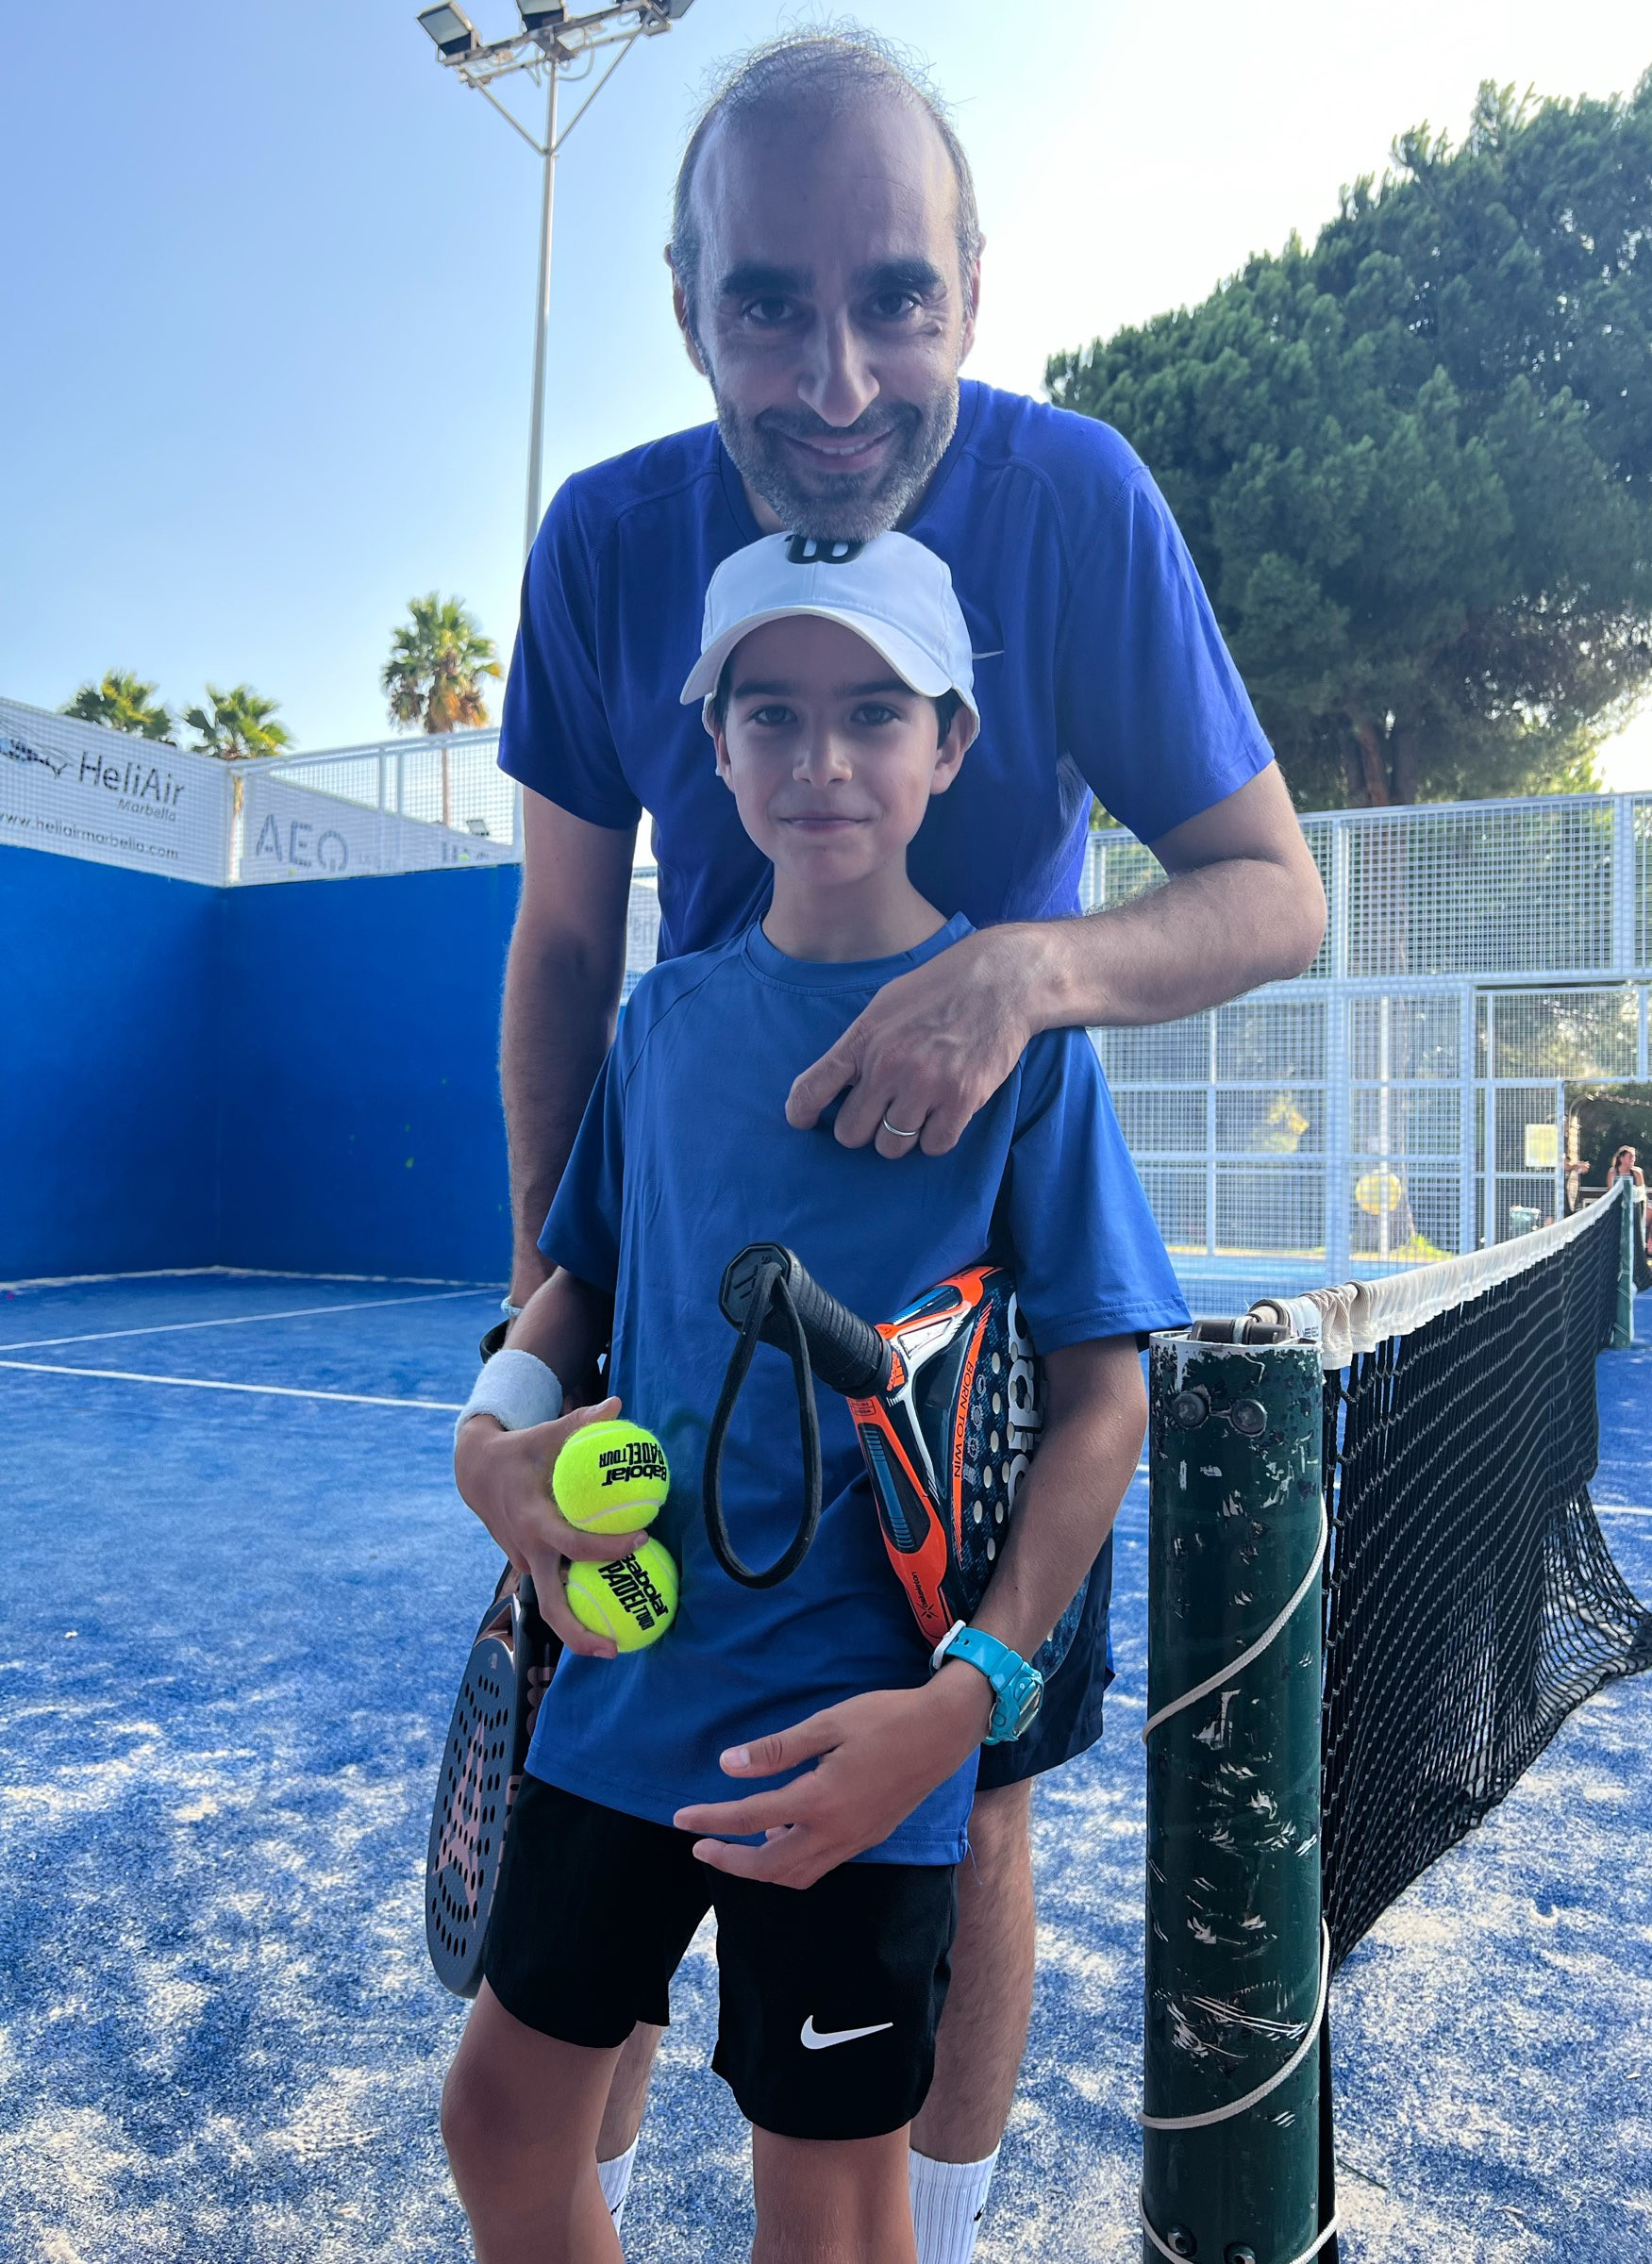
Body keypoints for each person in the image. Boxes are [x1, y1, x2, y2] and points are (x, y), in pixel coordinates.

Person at [492, 28, 1328, 2256]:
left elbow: (1273, 895)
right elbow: (563, 949)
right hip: (679, 1339)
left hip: (956, 1364)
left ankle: (917, 2241)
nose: (839, 376)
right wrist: (544, 1340)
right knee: (630, 1773)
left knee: (967, 1803)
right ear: (688, 308)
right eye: (768, 304)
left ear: (974, 288)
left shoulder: (1079, 504)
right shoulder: (604, 545)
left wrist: (1021, 974)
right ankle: (606, 2179)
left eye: (896, 299)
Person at [443, 532, 1187, 2261]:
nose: (821, 758)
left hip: (866, 1740)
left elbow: (1105, 1399)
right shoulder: (663, 1024)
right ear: (715, 750)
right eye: (770, 713)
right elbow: (584, 1281)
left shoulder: (1027, 1047)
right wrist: (489, 1444)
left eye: (873, 712)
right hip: (623, 1685)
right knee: (500, 2122)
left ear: (950, 744)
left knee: (835, 2213)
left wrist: (967, 1702)